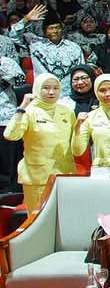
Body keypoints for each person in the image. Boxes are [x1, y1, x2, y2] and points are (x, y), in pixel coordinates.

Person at [3, 74, 77, 209]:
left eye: (56, 88)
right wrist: (22, 107)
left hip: (64, 173)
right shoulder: (28, 111)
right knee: (37, 218)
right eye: (46, 88)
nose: (51, 92)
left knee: (64, 216)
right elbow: (10, 135)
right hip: (36, 176)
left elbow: (75, 142)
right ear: (37, 89)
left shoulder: (67, 112)